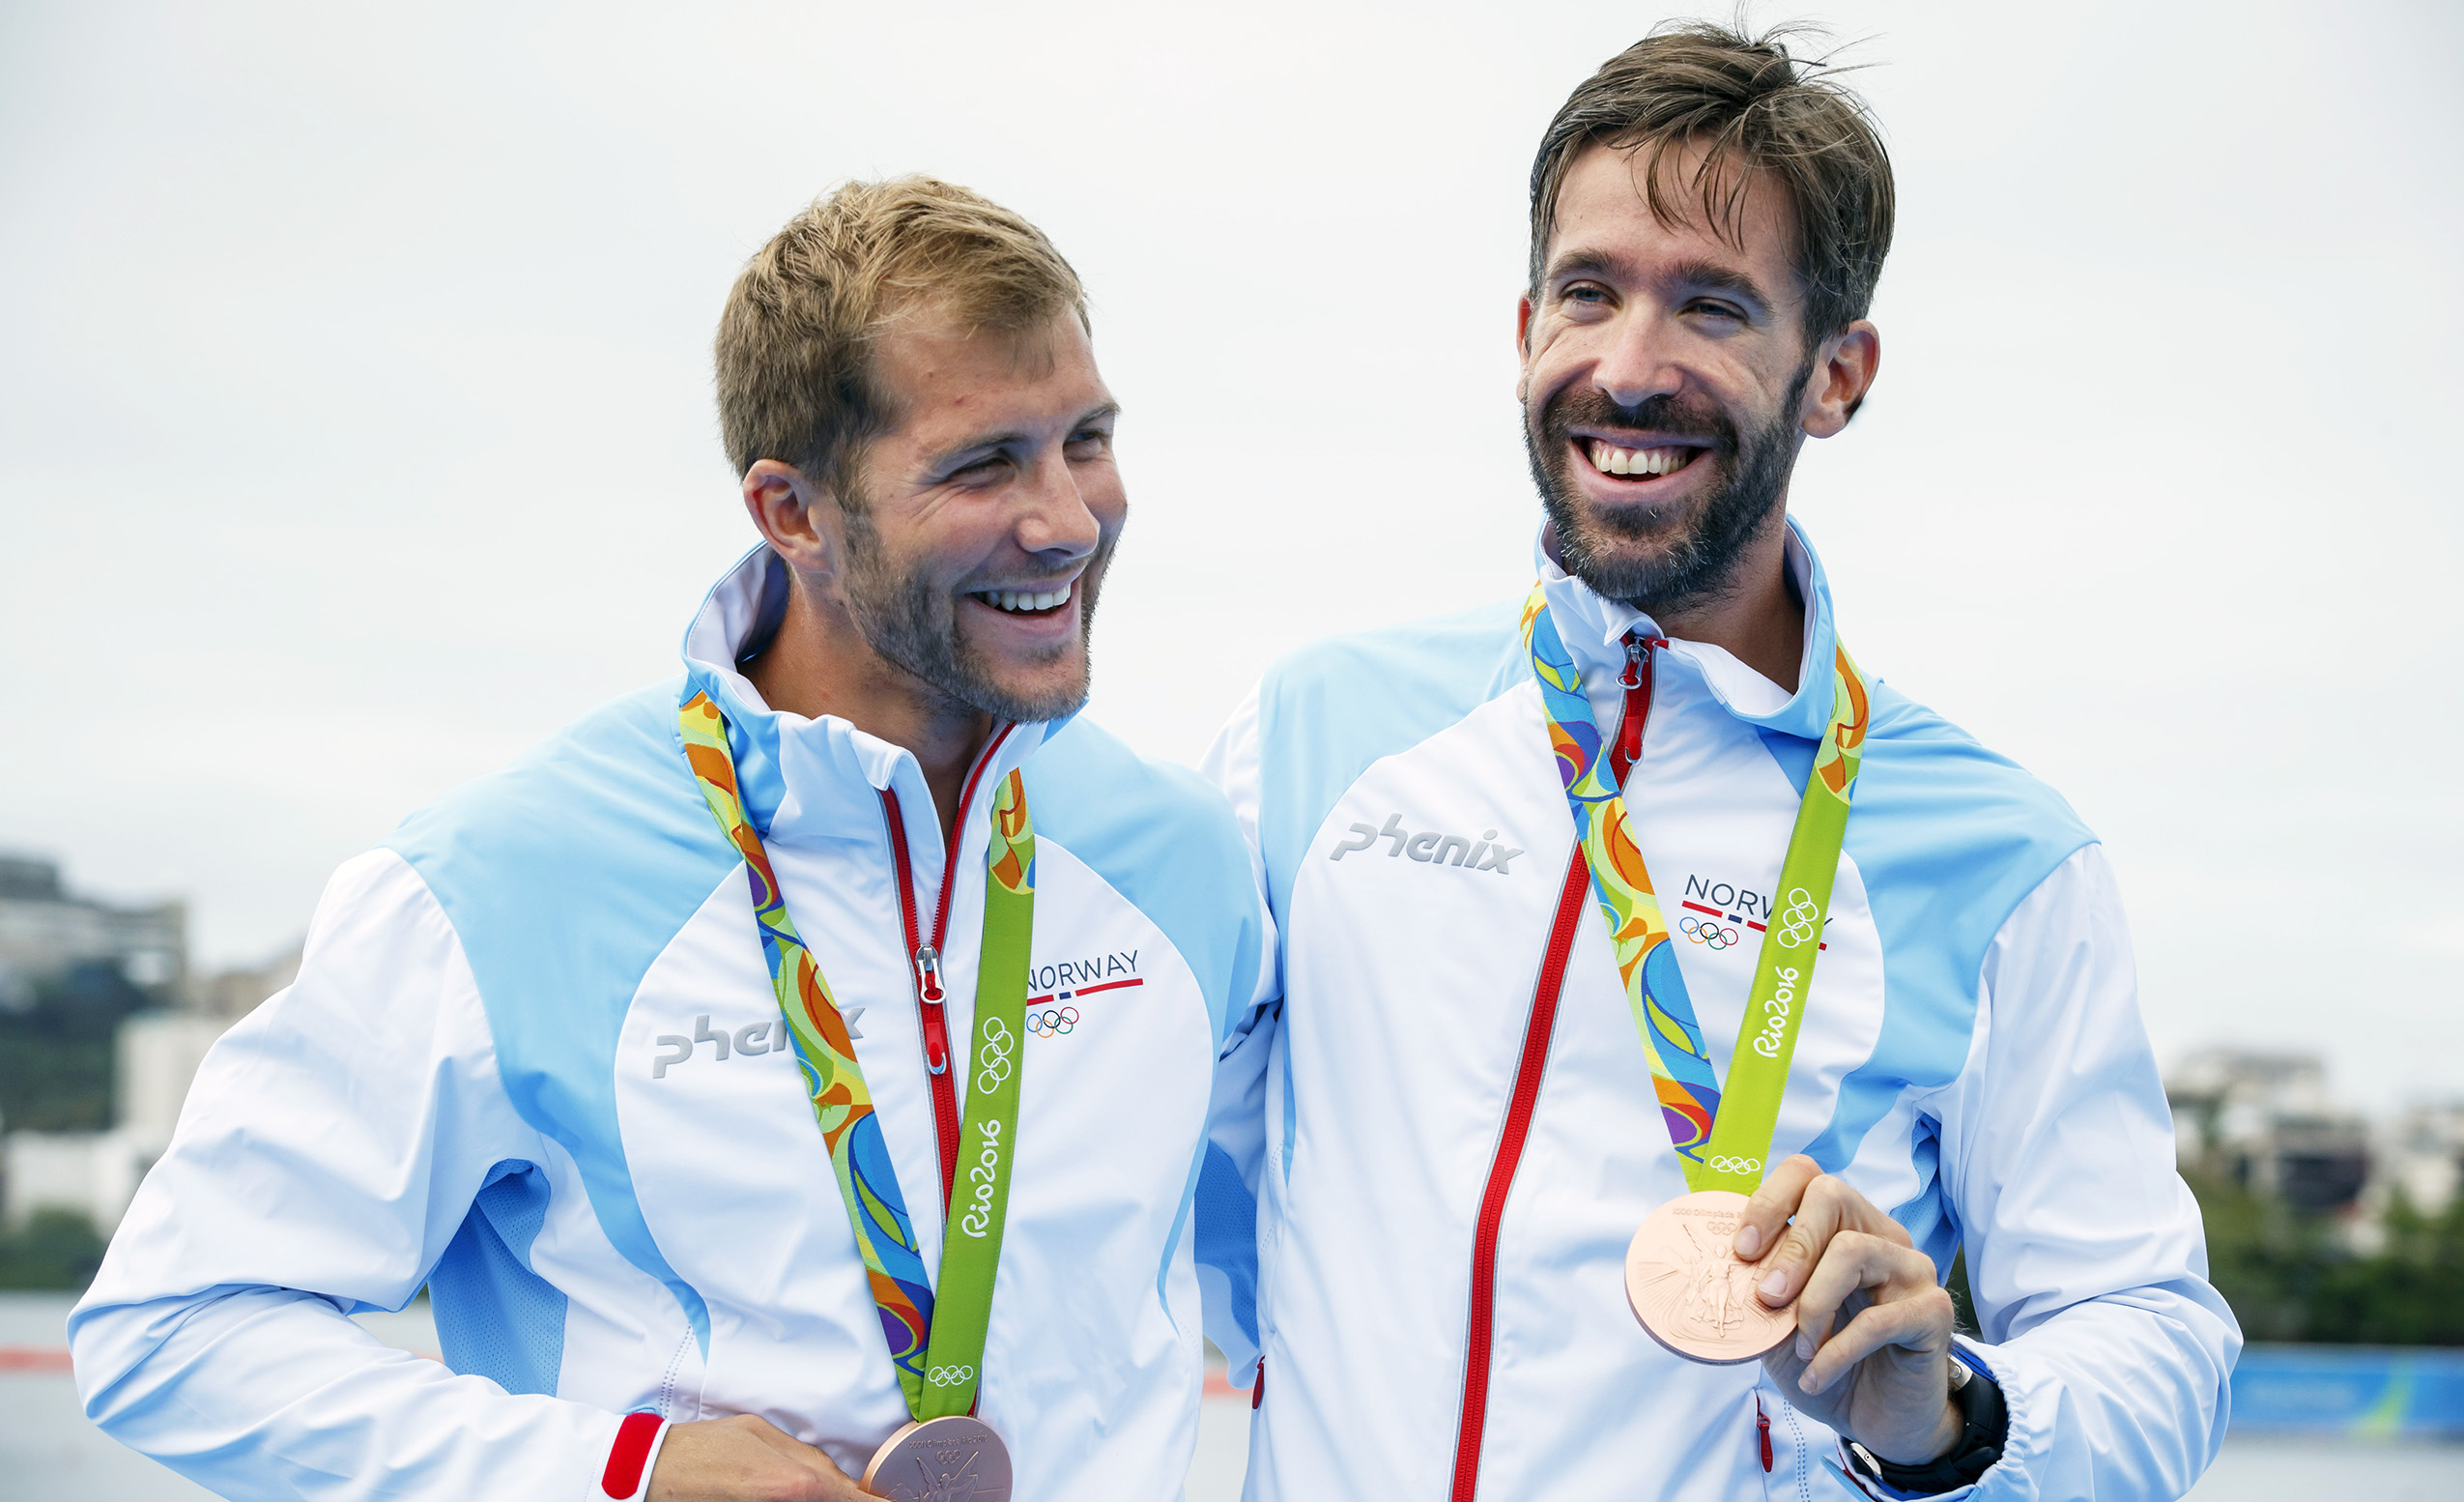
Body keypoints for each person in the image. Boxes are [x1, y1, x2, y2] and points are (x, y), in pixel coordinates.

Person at [71, 178, 1272, 1502]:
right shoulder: (500, 884)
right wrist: (621, 1469)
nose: (1068, 520)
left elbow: (1298, 1273)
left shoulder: (1181, 859)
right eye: (982, 463)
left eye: (1083, 439)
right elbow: (170, 1330)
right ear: (793, 512)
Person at [1201, 22, 2239, 1501]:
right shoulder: (1309, 734)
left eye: (1710, 307)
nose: (1630, 370)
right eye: (1589, 292)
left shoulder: (2002, 855)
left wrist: (1945, 1411)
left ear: (1835, 373)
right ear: (1521, 332)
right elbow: (1132, 1194)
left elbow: (2152, 1335)